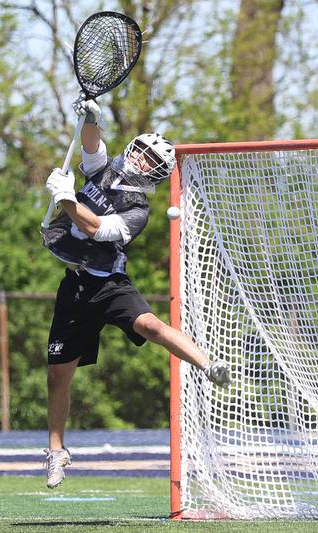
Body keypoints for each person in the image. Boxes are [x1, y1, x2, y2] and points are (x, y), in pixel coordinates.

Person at [41, 97, 231, 489]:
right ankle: (56, 450)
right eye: (140, 151)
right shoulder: (106, 170)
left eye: (150, 160)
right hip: (75, 285)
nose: (141, 160)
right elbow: (91, 144)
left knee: (150, 324)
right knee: (58, 376)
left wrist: (66, 197)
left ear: (156, 174)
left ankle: (208, 364)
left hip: (108, 283)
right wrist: (91, 116)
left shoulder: (138, 209)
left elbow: (95, 228)